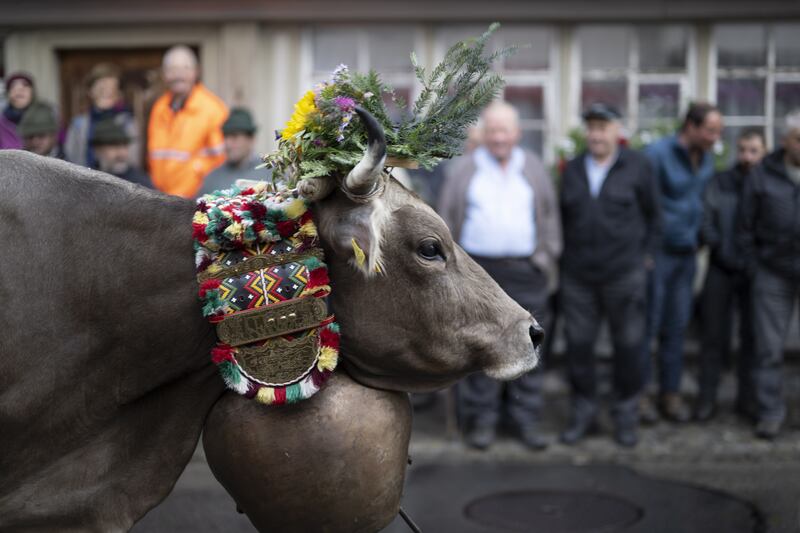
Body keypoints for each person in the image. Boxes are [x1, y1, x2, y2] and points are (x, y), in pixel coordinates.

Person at [438, 101, 562, 451]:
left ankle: (526, 420)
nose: (499, 138)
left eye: (505, 130)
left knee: (530, 345)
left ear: (517, 134)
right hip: (479, 275)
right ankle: (483, 421)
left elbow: (550, 216)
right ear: (484, 134)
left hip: (526, 270)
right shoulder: (464, 170)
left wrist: (544, 257)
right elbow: (445, 219)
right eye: (492, 130)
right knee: (482, 346)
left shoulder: (534, 167)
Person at [558, 103, 660, 447]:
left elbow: (654, 215)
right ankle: (584, 412)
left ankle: (625, 413)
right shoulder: (571, 169)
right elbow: (562, 218)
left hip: (624, 274)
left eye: (603, 127)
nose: (597, 134)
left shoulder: (638, 167)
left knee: (629, 347)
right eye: (592, 127)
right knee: (579, 346)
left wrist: (646, 258)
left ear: (618, 131)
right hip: (578, 277)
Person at [640, 102, 722, 424]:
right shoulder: (656, 155)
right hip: (657, 255)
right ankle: (642, 396)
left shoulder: (707, 159)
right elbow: (643, 203)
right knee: (649, 327)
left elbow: (702, 204)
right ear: (691, 126)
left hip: (687, 256)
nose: (716, 138)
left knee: (676, 328)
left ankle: (670, 396)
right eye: (711, 131)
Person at [695, 128, 766, 423]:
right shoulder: (721, 181)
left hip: (756, 272)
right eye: (743, 150)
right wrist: (719, 248)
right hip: (721, 269)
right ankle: (707, 400)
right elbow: (706, 219)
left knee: (752, 339)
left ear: (764, 152)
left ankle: (747, 401)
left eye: (754, 151)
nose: (747, 157)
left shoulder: (768, 184)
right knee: (713, 338)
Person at [738, 110, 800, 440]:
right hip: (772, 273)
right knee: (769, 349)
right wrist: (755, 266)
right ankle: (770, 412)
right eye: (798, 139)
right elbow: (745, 226)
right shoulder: (763, 175)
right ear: (785, 141)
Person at [147, 45, 228, 198]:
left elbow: (222, 159)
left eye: (185, 68)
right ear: (164, 74)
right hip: (162, 199)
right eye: (172, 70)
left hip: (198, 200)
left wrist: (196, 174)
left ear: (196, 71)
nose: (178, 75)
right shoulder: (159, 108)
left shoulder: (212, 108)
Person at [64, 63, 139, 169]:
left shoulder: (126, 122)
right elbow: (71, 158)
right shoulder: (79, 124)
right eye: (101, 88)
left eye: (112, 89)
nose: (107, 93)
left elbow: (133, 159)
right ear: (90, 91)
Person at [198, 107, 270, 196]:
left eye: (234, 136)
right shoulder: (212, 179)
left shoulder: (269, 173)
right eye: (225, 137)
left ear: (251, 139)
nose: (228, 143)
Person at [90, 118, 152, 188]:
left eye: (124, 146)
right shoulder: (90, 181)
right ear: (98, 150)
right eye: (114, 146)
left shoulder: (141, 182)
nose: (122, 153)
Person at [1, 71, 35, 150]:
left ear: (32, 92)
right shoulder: (1, 123)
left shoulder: (49, 116)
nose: (20, 89)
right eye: (13, 86)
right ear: (8, 94)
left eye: (25, 85)